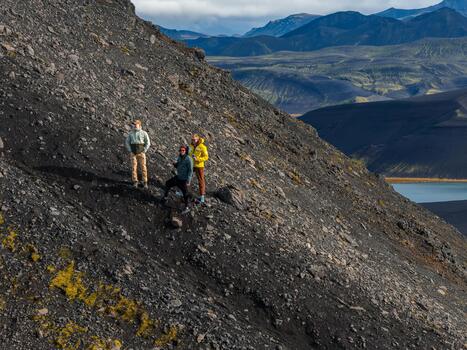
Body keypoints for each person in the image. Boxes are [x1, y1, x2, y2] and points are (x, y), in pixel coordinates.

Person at [162, 145, 193, 214]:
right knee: (168, 183)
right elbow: (178, 165)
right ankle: (165, 197)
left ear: (186, 151)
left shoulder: (189, 159)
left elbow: (190, 171)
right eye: (180, 150)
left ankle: (187, 207)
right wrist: (175, 164)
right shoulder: (180, 157)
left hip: (184, 179)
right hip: (178, 177)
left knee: (185, 193)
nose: (181, 152)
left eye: (183, 150)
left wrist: (188, 181)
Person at [125, 119, 151, 188]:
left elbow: (148, 142)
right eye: (134, 124)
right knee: (134, 167)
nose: (134, 125)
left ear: (139, 125)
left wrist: (144, 150)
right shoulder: (131, 133)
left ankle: (145, 182)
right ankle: (135, 181)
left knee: (143, 167)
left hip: (141, 152)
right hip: (133, 152)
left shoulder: (144, 133)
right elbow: (127, 142)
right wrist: (130, 150)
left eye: (136, 124)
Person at [189, 134, 209, 204]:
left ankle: (202, 197)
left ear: (197, 139)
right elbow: (188, 154)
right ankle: (183, 191)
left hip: (199, 166)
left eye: (194, 140)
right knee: (187, 177)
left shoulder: (202, 147)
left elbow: (206, 157)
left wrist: (197, 159)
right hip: (191, 164)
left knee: (201, 180)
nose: (193, 141)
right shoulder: (191, 146)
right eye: (192, 139)